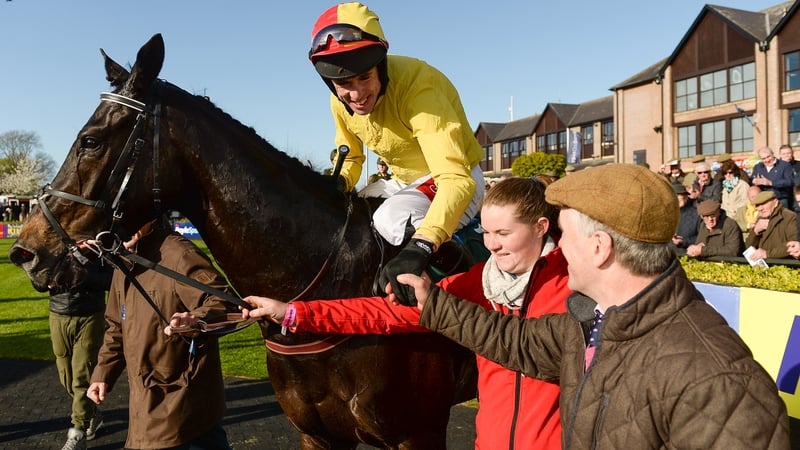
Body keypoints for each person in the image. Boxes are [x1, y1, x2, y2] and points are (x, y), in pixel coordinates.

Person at [398, 164, 789, 448]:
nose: (558, 247)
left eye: (564, 233)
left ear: (600, 247)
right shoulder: (592, 323)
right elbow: (512, 340)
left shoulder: (717, 381)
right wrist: (432, 302)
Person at [243, 176, 570, 449]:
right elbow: (384, 314)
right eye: (485, 232)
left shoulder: (576, 289)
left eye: (503, 234)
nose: (491, 245)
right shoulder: (478, 282)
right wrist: (292, 313)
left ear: (541, 227)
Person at [308, 2, 485, 304]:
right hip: (402, 182)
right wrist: (338, 186)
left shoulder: (420, 87)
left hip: (455, 177)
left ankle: (466, 290)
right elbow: (352, 158)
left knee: (391, 217)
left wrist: (422, 246)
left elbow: (455, 180)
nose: (356, 95)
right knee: (350, 213)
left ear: (382, 66)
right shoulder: (339, 102)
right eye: (344, 83)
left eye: (365, 77)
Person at [87, 220, 236, 450]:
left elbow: (224, 302)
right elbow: (117, 326)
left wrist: (196, 319)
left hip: (182, 402)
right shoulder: (123, 259)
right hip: (147, 402)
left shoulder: (177, 252)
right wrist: (103, 373)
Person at [49, 258, 113, 450]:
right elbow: (38, 283)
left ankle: (78, 432)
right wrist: (47, 280)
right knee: (65, 377)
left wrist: (81, 276)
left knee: (81, 377)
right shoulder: (55, 249)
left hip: (90, 315)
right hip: (58, 313)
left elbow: (110, 280)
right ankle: (92, 413)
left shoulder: (98, 249)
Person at [744, 190, 798, 260]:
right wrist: (755, 232)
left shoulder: (789, 217)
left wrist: (767, 254)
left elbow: (794, 246)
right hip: (763, 267)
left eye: (763, 204)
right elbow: (748, 247)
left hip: (784, 265)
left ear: (775, 202)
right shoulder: (760, 219)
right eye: (757, 205)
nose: (760, 208)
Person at [672, 183, 699, 250]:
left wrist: (684, 241)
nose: (676, 198)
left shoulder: (696, 215)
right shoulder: (664, 214)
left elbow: (701, 237)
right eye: (674, 195)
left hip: (686, 253)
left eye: (679, 195)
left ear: (686, 197)